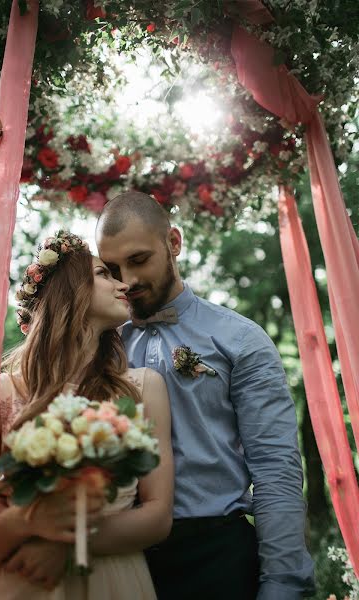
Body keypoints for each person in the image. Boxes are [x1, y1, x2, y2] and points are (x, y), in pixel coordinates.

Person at [94, 191, 316, 600]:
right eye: (111, 269)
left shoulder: (240, 339)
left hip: (216, 557)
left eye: (139, 260)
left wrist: (284, 582)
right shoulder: (95, 348)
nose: (127, 280)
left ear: (173, 243)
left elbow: (274, 466)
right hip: (118, 560)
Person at [0, 230, 173, 599]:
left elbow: (157, 516)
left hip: (113, 579)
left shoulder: (142, 388)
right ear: (68, 290)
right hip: (24, 582)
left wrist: (64, 544)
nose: (123, 286)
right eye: (104, 274)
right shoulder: (0, 393)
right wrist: (27, 521)